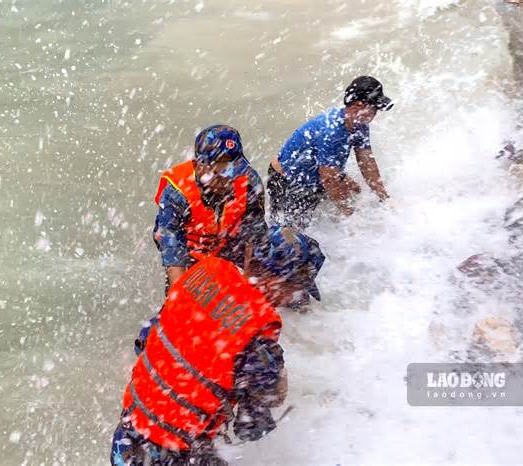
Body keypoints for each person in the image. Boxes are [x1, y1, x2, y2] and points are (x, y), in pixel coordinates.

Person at [111, 226, 325, 466]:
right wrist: (278, 374)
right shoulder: (258, 331)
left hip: (127, 438)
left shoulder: (203, 270)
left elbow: (147, 337)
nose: (295, 300)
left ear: (249, 257)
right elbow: (253, 424)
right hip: (173, 456)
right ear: (281, 283)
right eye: (297, 291)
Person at [267, 76, 393, 229]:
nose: (376, 114)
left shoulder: (359, 124)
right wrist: (350, 216)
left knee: (356, 190)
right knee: (292, 233)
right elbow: (329, 180)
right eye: (374, 109)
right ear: (358, 106)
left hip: (318, 174)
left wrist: (384, 197)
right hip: (288, 181)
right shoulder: (332, 131)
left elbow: (367, 162)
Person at [153, 125, 266, 294]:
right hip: (191, 249)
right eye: (220, 171)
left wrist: (249, 289)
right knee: (184, 299)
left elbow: (255, 238)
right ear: (199, 166)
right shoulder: (176, 193)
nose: (228, 178)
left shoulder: (250, 183)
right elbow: (173, 252)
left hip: (228, 242)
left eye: (233, 169)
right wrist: (178, 299)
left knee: (276, 260)